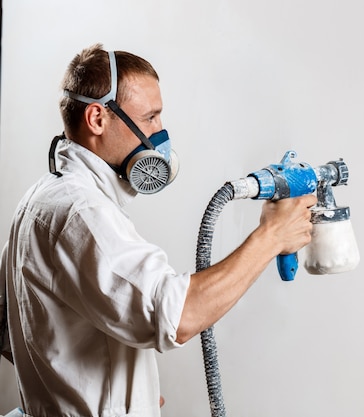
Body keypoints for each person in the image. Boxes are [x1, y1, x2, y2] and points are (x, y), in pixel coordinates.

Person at [0, 43, 316, 416]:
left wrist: (125, 398)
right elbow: (178, 316)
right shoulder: (80, 211)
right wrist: (272, 236)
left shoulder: (42, 196)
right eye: (150, 118)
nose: (160, 135)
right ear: (98, 119)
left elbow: (9, 329)